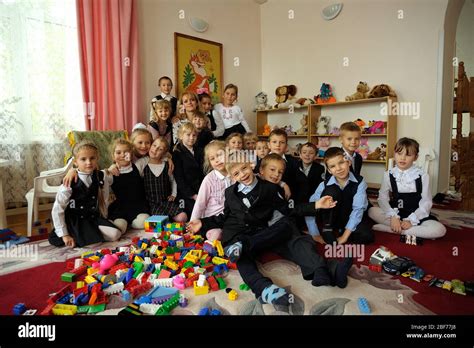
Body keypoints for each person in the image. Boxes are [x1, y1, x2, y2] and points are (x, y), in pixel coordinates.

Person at [187, 155, 351, 306]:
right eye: (236, 173)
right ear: (232, 177)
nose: (242, 174)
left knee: (288, 230)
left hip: (259, 234)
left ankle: (328, 269)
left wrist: (316, 205)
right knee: (241, 257)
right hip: (235, 235)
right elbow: (224, 215)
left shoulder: (270, 189)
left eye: (244, 168)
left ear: (251, 166)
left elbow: (288, 209)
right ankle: (263, 289)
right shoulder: (229, 192)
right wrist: (202, 222)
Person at [368, 137, 446, 239]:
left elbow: (426, 202)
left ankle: (393, 230)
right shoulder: (388, 175)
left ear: (416, 157)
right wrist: (393, 216)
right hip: (396, 214)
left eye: (408, 155)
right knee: (371, 211)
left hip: (416, 216)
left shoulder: (422, 176)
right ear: (394, 154)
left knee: (439, 230)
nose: (402, 158)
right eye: (399, 153)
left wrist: (411, 220)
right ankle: (401, 227)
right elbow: (382, 198)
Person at [49, 141, 122, 248]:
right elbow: (57, 209)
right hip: (76, 221)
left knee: (116, 234)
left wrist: (112, 167)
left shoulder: (100, 175)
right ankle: (70, 235)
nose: (89, 162)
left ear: (97, 159)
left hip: (92, 218)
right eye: (83, 159)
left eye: (92, 158)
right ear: (75, 162)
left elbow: (111, 173)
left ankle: (89, 235)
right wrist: (64, 235)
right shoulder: (69, 182)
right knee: (94, 244)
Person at [305, 147, 374, 245]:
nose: (338, 168)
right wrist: (314, 233)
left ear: (348, 162)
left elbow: (358, 209)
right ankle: (327, 228)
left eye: (341, 163)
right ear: (329, 170)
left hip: (349, 216)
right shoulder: (324, 185)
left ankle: (343, 230)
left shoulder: (359, 182)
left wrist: (344, 236)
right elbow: (311, 207)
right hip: (332, 218)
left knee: (367, 236)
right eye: (332, 166)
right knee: (332, 190)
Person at [135, 137, 187, 222]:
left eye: (160, 149)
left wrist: (174, 194)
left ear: (164, 153)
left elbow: (173, 180)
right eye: (154, 145)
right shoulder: (143, 164)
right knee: (161, 221)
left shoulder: (166, 165)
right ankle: (167, 219)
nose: (155, 149)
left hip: (165, 201)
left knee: (183, 217)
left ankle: (171, 218)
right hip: (151, 203)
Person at [106, 138, 150, 232]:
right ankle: (123, 223)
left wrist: (168, 157)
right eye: (118, 152)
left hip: (138, 206)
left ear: (131, 154)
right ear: (113, 156)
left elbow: (155, 155)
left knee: (143, 222)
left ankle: (131, 223)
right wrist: (109, 169)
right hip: (121, 207)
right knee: (120, 228)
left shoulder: (138, 165)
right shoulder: (111, 172)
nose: (122, 155)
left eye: (126, 152)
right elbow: (99, 177)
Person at [190, 141, 231, 241]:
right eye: (212, 159)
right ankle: (208, 248)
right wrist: (193, 222)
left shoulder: (235, 174)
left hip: (229, 219)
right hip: (211, 220)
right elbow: (200, 203)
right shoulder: (209, 179)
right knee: (217, 234)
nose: (217, 160)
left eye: (219, 155)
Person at [172, 122, 205, 217]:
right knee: (193, 215)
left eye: (194, 135)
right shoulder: (177, 152)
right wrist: (193, 195)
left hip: (200, 188)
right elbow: (179, 178)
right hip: (186, 192)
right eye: (188, 135)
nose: (191, 137)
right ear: (181, 136)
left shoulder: (199, 150)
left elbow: (203, 172)